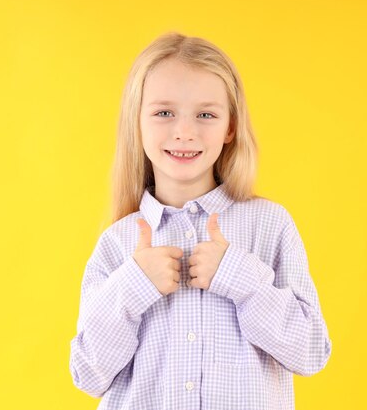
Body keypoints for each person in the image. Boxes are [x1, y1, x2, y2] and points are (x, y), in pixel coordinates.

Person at [69, 31, 332, 409]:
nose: (185, 132)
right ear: (136, 123)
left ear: (230, 127)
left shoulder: (270, 225)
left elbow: (310, 353)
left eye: (206, 114)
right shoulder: (117, 243)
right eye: (164, 113)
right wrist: (133, 286)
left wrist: (240, 278)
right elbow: (88, 375)